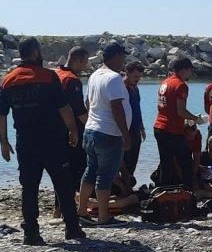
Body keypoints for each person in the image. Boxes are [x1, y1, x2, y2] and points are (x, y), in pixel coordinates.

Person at [0, 38, 85, 245]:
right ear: (36, 52)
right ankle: (72, 228)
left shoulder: (8, 79)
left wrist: (3, 141)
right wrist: (73, 130)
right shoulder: (48, 76)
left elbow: (1, 115)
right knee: (63, 184)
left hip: (25, 142)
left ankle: (31, 233)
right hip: (52, 140)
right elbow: (64, 107)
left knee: (29, 187)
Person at [77, 43, 134, 225]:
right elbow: (116, 107)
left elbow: (87, 102)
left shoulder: (94, 75)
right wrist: (125, 135)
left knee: (90, 170)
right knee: (105, 175)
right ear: (115, 56)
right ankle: (102, 217)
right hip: (108, 133)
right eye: (122, 57)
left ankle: (82, 211)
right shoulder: (114, 77)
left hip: (91, 130)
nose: (123, 61)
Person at [153, 58, 205, 187]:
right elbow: (180, 111)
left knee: (166, 163)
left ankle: (163, 193)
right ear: (184, 69)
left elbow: (166, 107)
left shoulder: (165, 82)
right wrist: (196, 119)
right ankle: (189, 194)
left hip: (159, 127)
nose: (191, 74)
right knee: (186, 163)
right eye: (190, 71)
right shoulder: (181, 85)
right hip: (172, 130)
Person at [55, 47, 90, 215]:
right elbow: (79, 111)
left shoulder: (56, 74)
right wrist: (92, 126)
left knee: (61, 169)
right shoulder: (72, 80)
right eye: (86, 61)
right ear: (77, 60)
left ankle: (58, 208)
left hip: (55, 129)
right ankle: (70, 209)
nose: (88, 64)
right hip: (72, 131)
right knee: (77, 169)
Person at [122, 61, 147, 176]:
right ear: (127, 73)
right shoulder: (121, 88)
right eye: (135, 76)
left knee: (133, 160)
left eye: (139, 77)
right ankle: (122, 188)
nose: (138, 79)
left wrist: (142, 128)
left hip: (135, 129)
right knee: (123, 161)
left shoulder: (135, 88)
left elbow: (137, 109)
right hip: (125, 129)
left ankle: (129, 184)